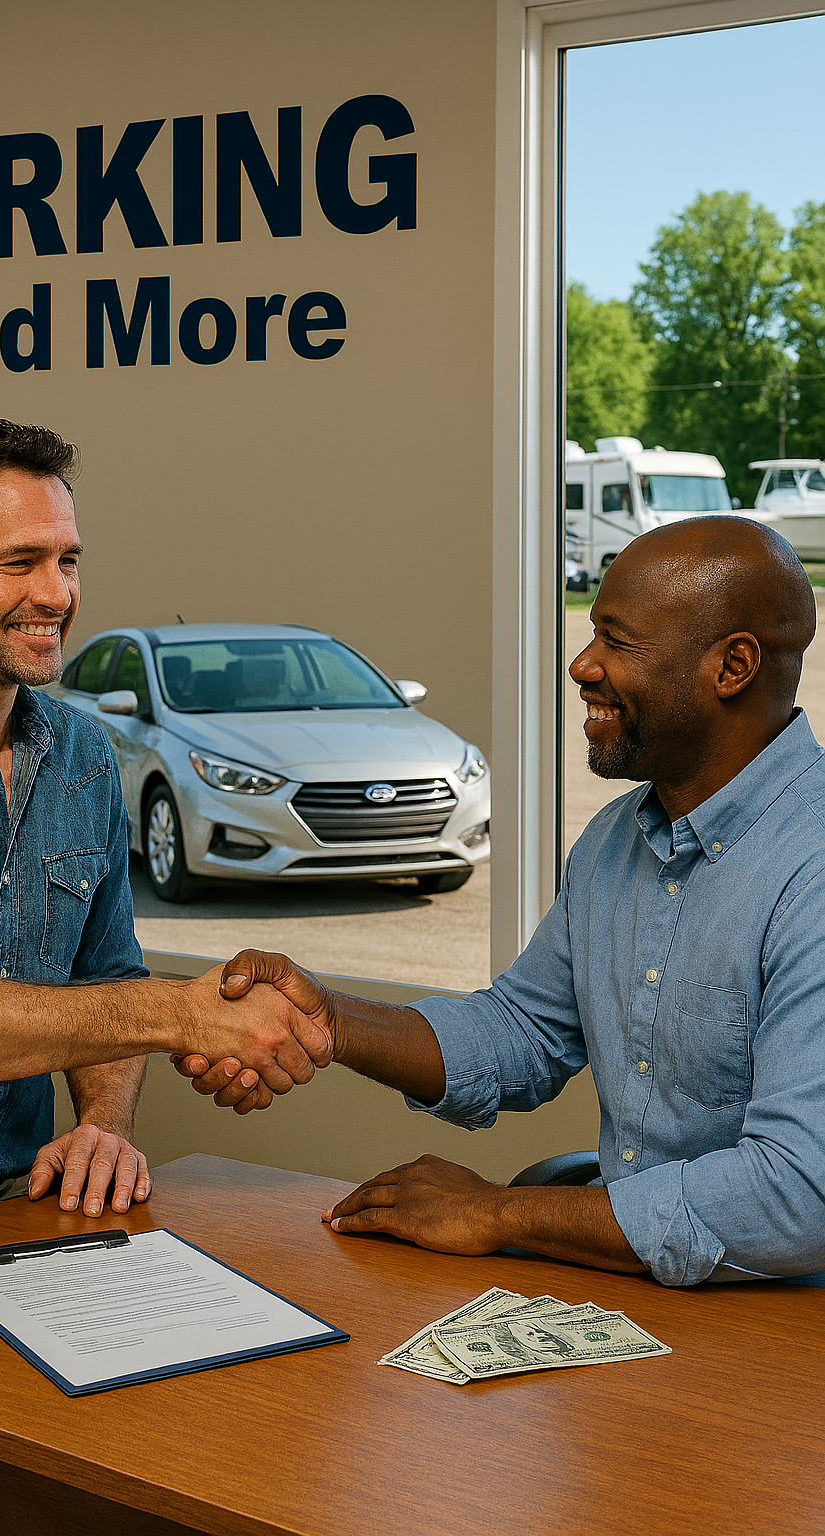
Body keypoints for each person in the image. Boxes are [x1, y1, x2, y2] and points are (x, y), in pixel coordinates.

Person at [176, 517, 825, 1288]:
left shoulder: (810, 868)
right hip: (640, 1301)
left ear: (733, 666)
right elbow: (522, 1032)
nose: (584, 665)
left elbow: (796, 1197)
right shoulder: (616, 841)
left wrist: (498, 1213)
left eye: (618, 642)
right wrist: (332, 1021)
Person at [0, 420, 329, 1266]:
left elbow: (105, 977)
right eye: (21, 563)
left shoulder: (82, 753)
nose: (57, 594)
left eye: (68, 560)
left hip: (24, 1186)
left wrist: (102, 1127)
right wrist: (180, 1013)